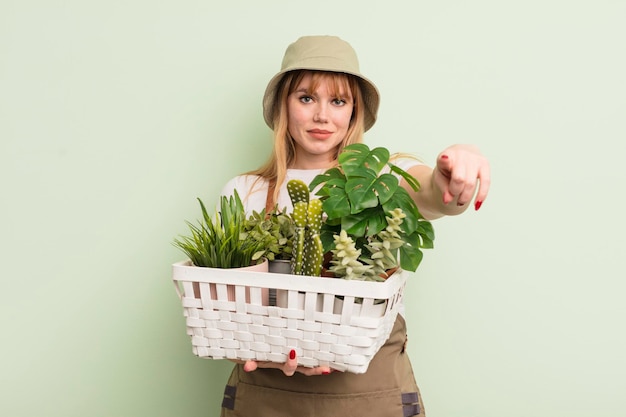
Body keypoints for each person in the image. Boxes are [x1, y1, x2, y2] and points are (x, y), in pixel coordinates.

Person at [219, 35, 490, 417]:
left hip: (368, 396)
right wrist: (261, 352)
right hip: (267, 396)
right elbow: (224, 313)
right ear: (284, 105)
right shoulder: (243, 192)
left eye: (338, 101)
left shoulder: (382, 180)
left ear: (354, 111)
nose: (322, 116)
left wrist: (462, 163)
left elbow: (432, 193)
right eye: (306, 98)